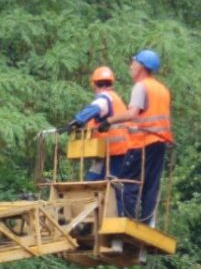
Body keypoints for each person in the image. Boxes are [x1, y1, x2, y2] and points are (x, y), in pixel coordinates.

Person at [106, 49, 173, 224]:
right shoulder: (162, 89)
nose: (131, 67)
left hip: (141, 143)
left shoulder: (141, 86)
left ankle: (127, 221)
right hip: (159, 143)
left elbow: (133, 114)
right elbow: (149, 117)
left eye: (133, 63)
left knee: (127, 182)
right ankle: (147, 223)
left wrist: (109, 121)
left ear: (141, 67)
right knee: (151, 184)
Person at [67, 66, 130, 181]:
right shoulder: (115, 98)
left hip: (113, 152)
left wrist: (77, 121)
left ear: (94, 84)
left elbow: (95, 108)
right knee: (97, 180)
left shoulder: (105, 98)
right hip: (112, 151)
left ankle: (93, 198)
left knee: (100, 183)